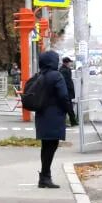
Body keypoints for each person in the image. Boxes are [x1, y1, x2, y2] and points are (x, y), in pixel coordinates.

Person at [35, 50, 75, 188]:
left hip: (41, 115)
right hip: (54, 115)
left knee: (46, 146)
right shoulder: (56, 75)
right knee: (52, 146)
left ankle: (44, 176)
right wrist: (70, 113)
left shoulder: (40, 75)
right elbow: (64, 96)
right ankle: (45, 177)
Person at [60, 57, 78, 127]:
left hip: (66, 92)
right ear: (66, 63)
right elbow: (66, 81)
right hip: (66, 92)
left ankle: (72, 121)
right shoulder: (64, 70)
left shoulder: (63, 70)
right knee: (68, 107)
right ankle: (73, 121)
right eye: (69, 62)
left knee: (68, 107)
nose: (70, 64)